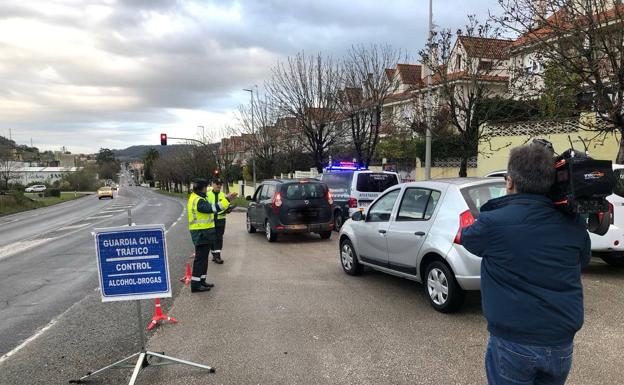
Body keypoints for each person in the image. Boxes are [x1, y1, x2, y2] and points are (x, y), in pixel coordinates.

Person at [460, 143, 591, 385]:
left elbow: (467, 238)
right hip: (561, 343)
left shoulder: (493, 223)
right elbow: (583, 259)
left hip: (514, 343)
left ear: (509, 182)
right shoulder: (573, 224)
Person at [187, 179, 234, 293]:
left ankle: (202, 281)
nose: (207, 188)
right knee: (200, 260)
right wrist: (227, 199)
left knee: (203, 260)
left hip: (204, 234)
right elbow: (212, 209)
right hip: (201, 234)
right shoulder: (199, 200)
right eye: (206, 186)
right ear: (202, 188)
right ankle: (196, 285)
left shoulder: (199, 198)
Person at [207, 179, 237, 264]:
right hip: (210, 220)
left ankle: (217, 256)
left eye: (220, 184)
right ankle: (214, 255)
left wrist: (228, 209)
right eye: (217, 184)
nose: (219, 186)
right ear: (213, 184)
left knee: (219, 238)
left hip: (220, 220)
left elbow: (227, 206)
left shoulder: (223, 195)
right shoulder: (207, 195)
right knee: (212, 238)